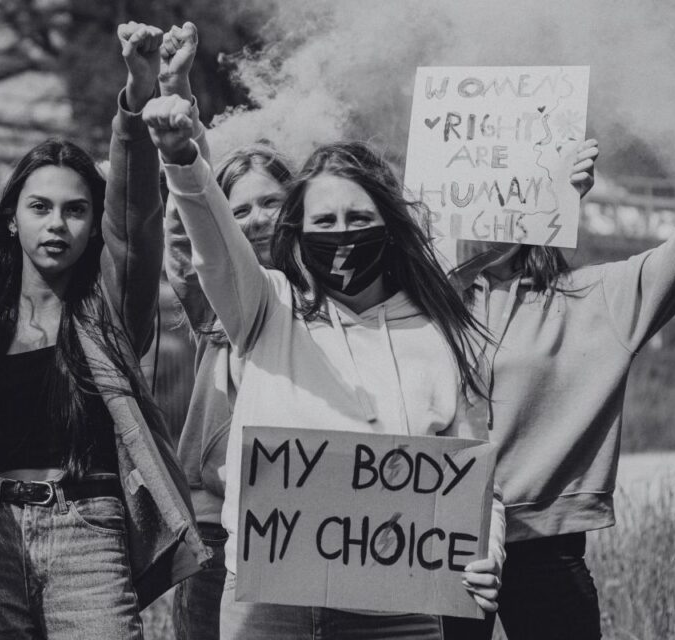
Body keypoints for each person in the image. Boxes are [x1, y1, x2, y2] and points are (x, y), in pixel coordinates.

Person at [151, 88, 505, 639]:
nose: (342, 233)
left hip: (397, 614)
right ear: (299, 234)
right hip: (270, 606)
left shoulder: (440, 334)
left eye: (358, 217)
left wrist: (488, 552)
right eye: (325, 220)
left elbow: (475, 480)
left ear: (389, 227)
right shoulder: (266, 306)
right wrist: (182, 159)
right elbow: (214, 248)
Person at [0, 23, 210, 639]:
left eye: (75, 210)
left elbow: (134, 215)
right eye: (40, 207)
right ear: (12, 219)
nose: (57, 224)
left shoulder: (106, 308)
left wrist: (136, 96)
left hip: (89, 536)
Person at [448, 108, 675, 639]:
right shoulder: (427, 300)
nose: (493, 209)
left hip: (544, 547)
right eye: (478, 194)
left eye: (513, 192)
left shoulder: (593, 298)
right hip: (439, 542)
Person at [155, 21, 295, 640]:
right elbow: (190, 224)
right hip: (216, 523)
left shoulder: (328, 302)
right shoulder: (215, 303)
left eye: (271, 203)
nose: (257, 220)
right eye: (239, 210)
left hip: (300, 518)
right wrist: (176, 97)